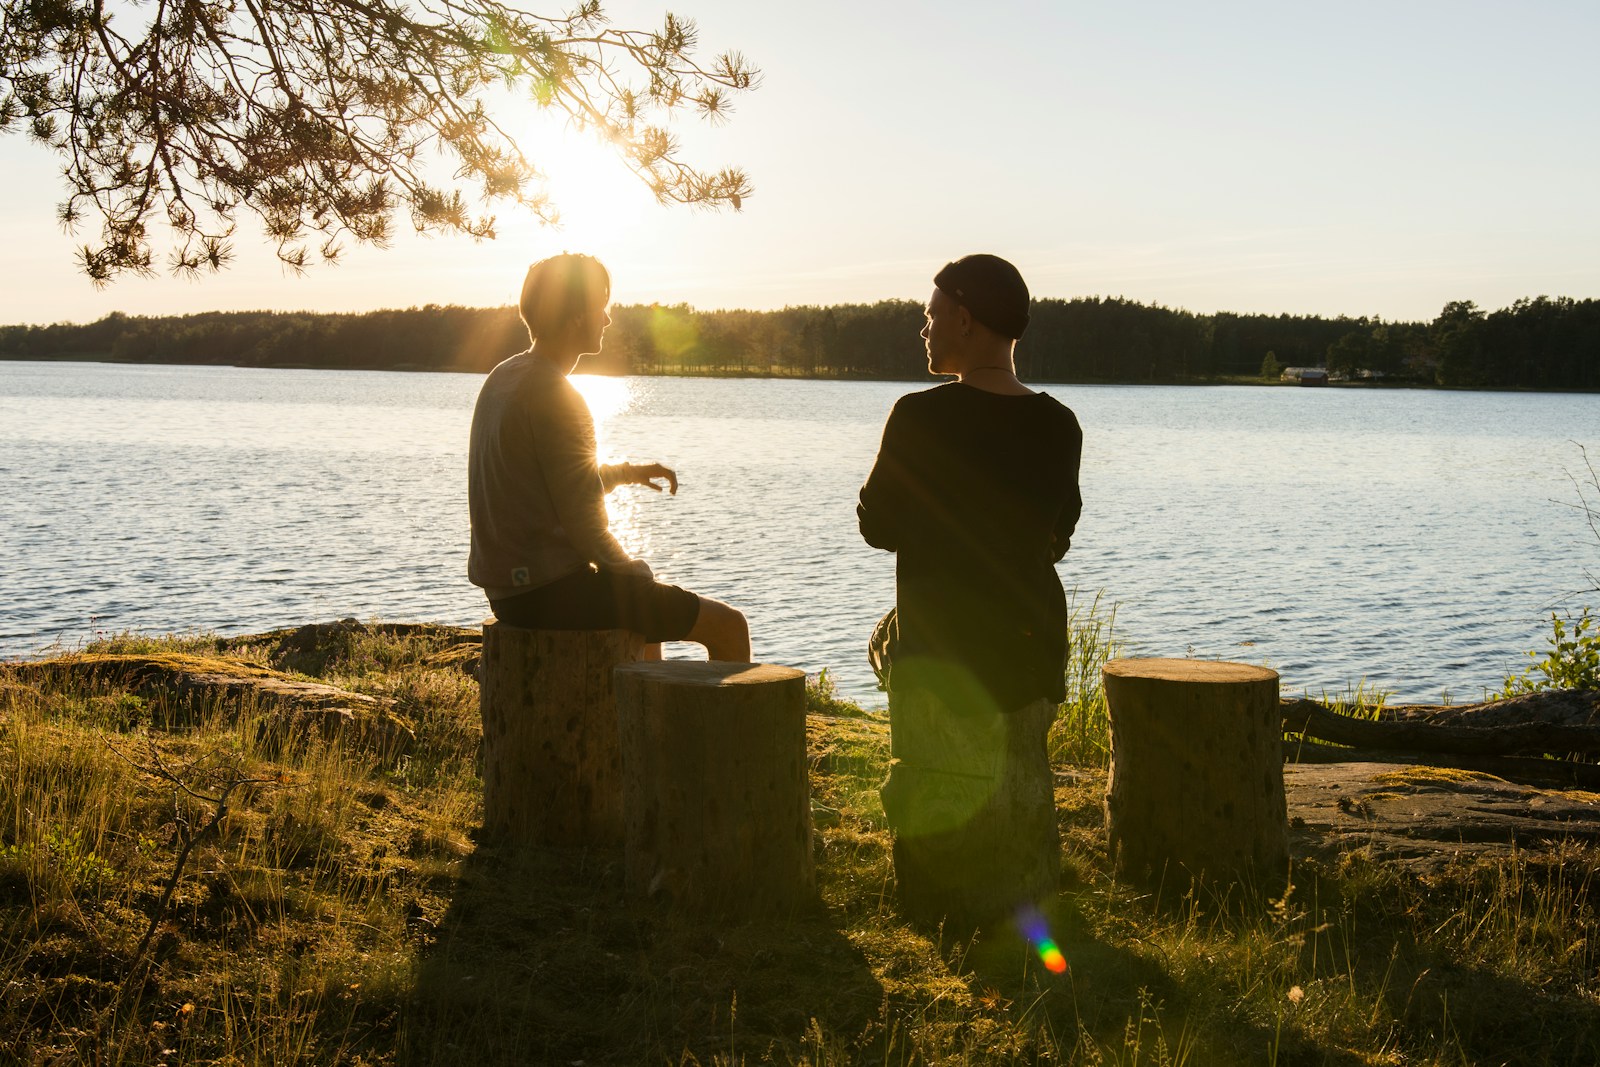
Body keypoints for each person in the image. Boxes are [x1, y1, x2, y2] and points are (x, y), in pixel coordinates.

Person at [857, 253, 1083, 928]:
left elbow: (878, 525)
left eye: (930, 316)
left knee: (888, 638)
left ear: (964, 317)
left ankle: (944, 907)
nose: (923, 329)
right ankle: (1027, 890)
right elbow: (1057, 533)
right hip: (1028, 649)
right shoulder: (1058, 423)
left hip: (941, 652)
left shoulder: (919, 417)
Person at [468, 253, 750, 661]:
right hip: (550, 592)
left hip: (507, 592)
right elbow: (586, 525)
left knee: (644, 620)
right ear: (578, 316)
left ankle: (648, 721)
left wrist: (627, 473)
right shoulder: (557, 394)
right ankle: (728, 727)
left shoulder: (506, 375)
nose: (608, 319)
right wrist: (637, 572)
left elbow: (552, 483)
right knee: (728, 625)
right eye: (601, 307)